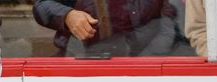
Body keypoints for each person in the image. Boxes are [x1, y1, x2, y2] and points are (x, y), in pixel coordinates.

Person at [32, 0, 179, 57]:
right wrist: (68, 15)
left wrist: (146, 59)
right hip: (84, 64)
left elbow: (168, 24)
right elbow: (42, 6)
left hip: (146, 67)